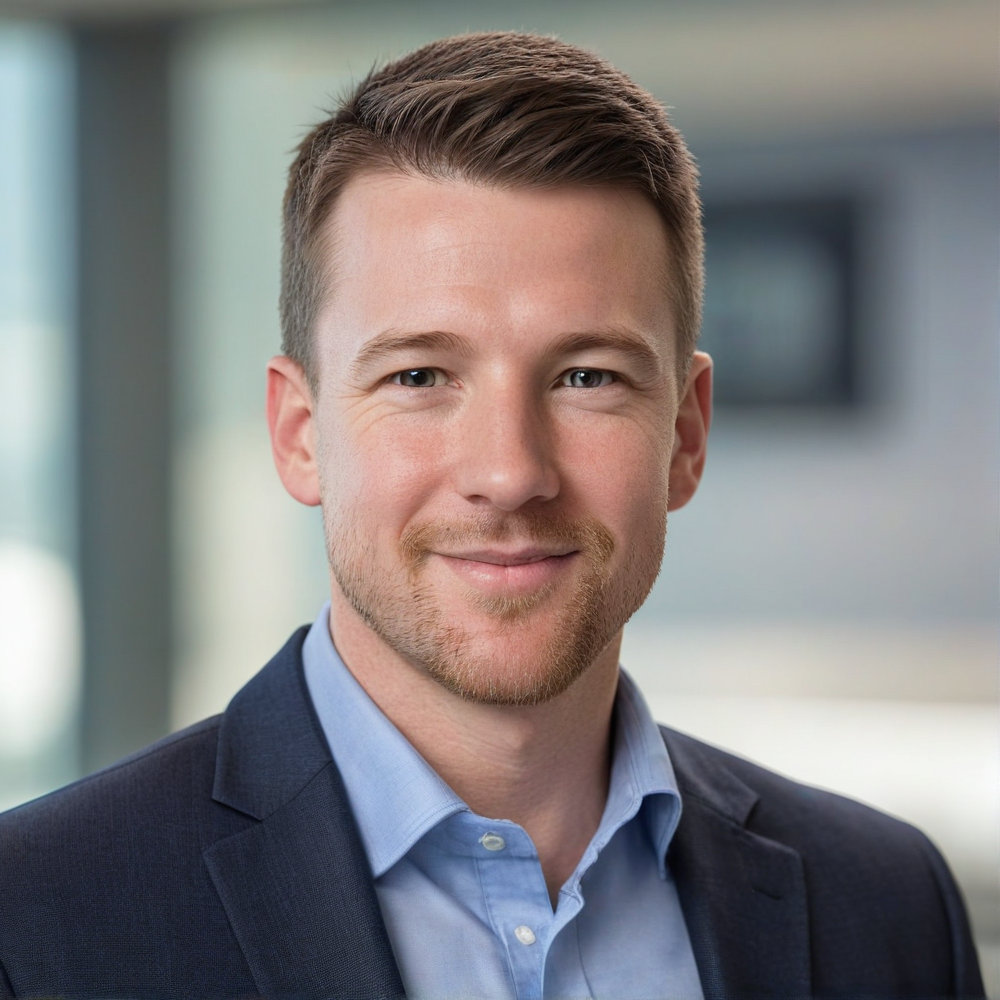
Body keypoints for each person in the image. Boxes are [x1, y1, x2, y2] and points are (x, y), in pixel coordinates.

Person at [0, 31, 984, 1000]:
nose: (510, 472)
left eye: (586, 375)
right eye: (419, 375)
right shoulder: (37, 918)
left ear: (684, 434)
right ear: (301, 433)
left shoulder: (885, 905)